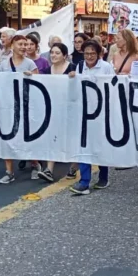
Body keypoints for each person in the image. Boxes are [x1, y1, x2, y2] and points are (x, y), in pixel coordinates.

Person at [0, 34, 40, 184]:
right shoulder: (4, 64)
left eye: (25, 44)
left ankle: (35, 164)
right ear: (12, 46)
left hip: (26, 105)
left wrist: (32, 76)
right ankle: (9, 171)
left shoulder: (30, 63)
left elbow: (40, 83)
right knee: (7, 137)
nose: (23, 47)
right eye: (20, 44)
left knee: (27, 137)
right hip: (8, 105)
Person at [70, 40, 115, 195]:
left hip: (101, 112)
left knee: (100, 145)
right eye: (86, 53)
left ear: (98, 54)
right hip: (84, 112)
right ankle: (84, 181)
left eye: (92, 53)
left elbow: (114, 86)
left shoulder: (106, 67)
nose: (89, 56)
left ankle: (104, 177)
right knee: (84, 146)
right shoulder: (80, 66)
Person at [37, 42, 76, 183]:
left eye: (57, 53)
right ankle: (49, 170)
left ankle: (73, 166)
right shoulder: (47, 70)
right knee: (52, 138)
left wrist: (76, 77)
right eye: (52, 52)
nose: (53, 55)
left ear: (65, 56)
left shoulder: (73, 68)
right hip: (53, 109)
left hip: (71, 109)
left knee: (72, 139)